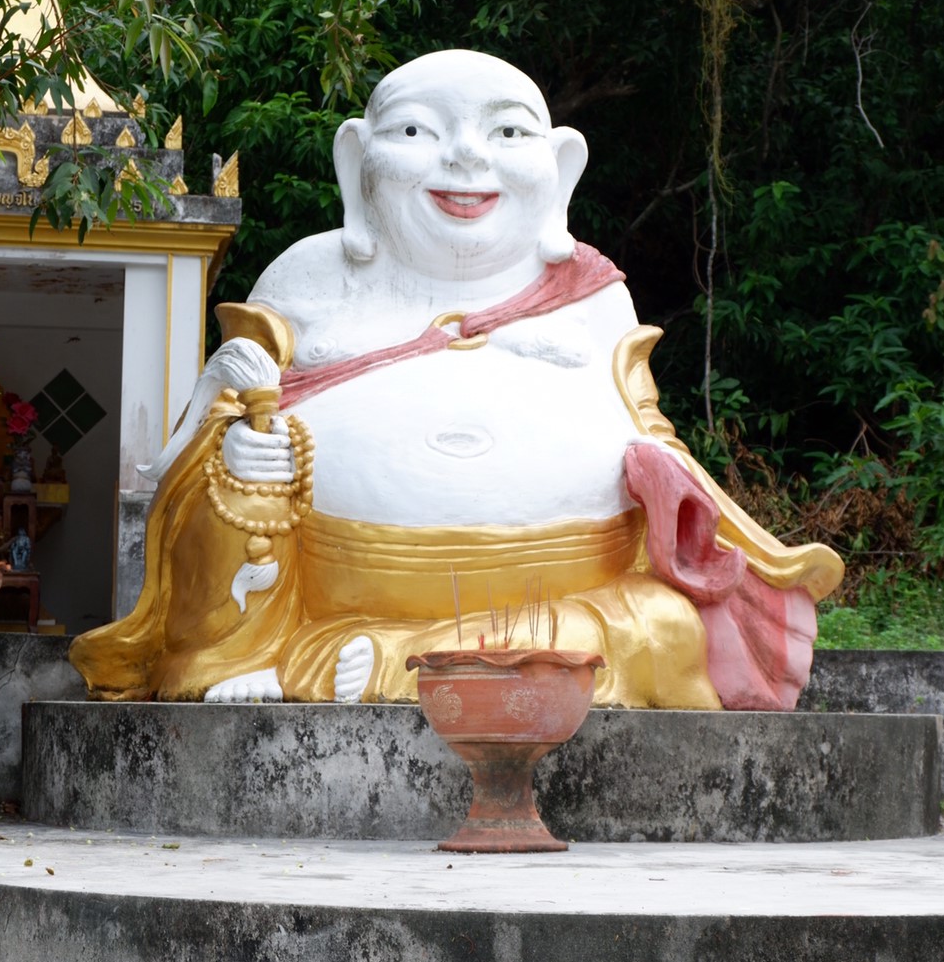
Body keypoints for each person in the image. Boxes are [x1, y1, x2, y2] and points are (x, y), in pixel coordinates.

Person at [70, 50, 842, 708]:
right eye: (416, 132)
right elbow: (213, 434)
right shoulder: (307, 282)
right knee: (235, 499)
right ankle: (348, 657)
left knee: (663, 626)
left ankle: (387, 661)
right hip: (325, 583)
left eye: (507, 133)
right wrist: (239, 456)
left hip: (565, 586)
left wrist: (658, 472)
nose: (466, 158)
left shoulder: (595, 297)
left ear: (560, 169)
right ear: (356, 162)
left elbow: (650, 434)